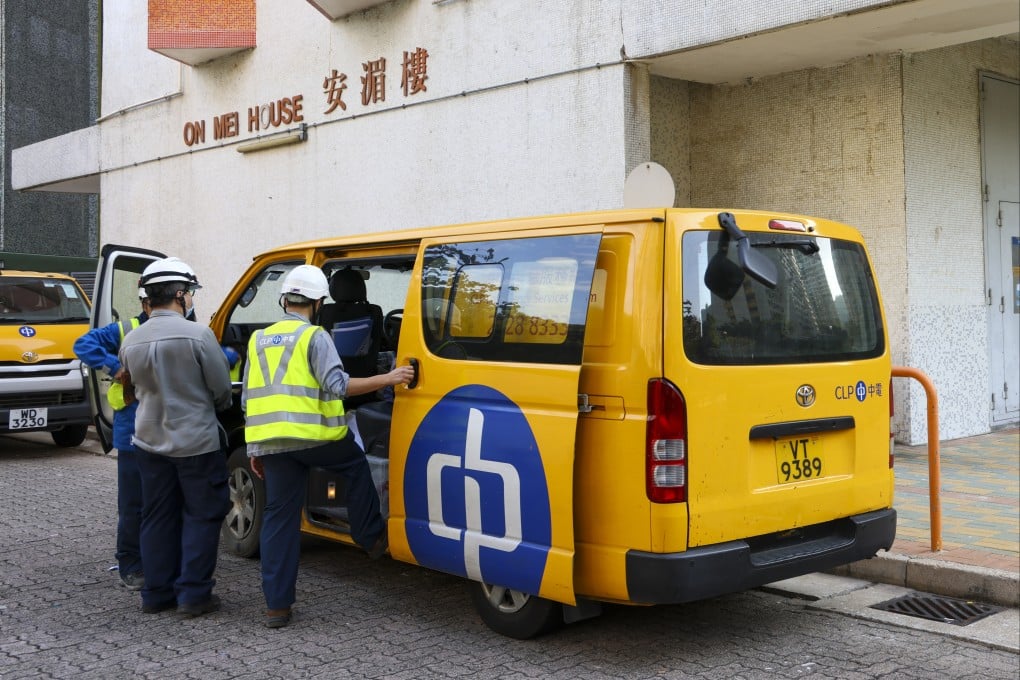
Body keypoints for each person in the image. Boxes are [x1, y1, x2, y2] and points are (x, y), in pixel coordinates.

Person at [242, 264, 413, 629]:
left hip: (272, 445)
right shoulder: (314, 337)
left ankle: (277, 606)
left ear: (284, 299)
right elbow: (339, 386)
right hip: (315, 439)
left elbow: (248, 401)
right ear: (318, 303)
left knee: (279, 518)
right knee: (354, 463)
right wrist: (391, 377)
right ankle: (369, 536)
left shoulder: (257, 340)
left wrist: (256, 448)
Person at [119, 257, 233, 617]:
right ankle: (193, 595)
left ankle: (156, 594)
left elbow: (133, 389)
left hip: (149, 441)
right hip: (196, 441)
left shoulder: (132, 339)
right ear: (180, 294)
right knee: (202, 515)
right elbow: (221, 391)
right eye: (191, 292)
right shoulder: (199, 335)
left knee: (156, 516)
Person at [73, 288, 152, 591]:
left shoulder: (184, 324)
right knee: (133, 503)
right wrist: (115, 367)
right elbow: (83, 344)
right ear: (146, 302)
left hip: (165, 428)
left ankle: (159, 560)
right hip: (132, 428)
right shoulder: (126, 329)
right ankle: (130, 564)